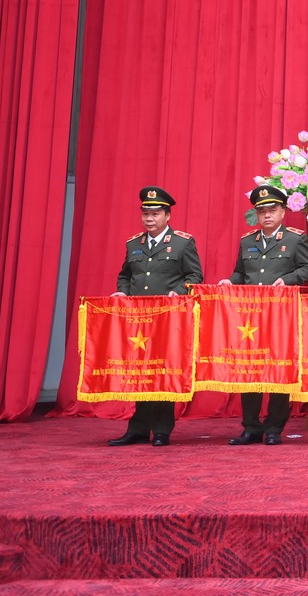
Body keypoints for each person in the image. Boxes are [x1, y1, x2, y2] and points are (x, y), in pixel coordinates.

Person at [108, 185, 203, 447]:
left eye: (155, 214)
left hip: (168, 318)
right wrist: (122, 292)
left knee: (163, 371)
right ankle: (138, 429)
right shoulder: (133, 244)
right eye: (146, 214)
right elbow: (125, 275)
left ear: (167, 216)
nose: (149, 219)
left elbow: (195, 276)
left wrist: (178, 291)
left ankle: (162, 429)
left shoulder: (183, 242)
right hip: (138, 319)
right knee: (141, 373)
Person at [219, 184, 308, 446]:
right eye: (262, 212)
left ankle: (274, 427)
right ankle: (251, 427)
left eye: (272, 210)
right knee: (249, 368)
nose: (267, 215)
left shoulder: (295, 239)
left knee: (278, 368)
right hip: (250, 316)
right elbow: (240, 273)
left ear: (283, 212)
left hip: (281, 314)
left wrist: (288, 279)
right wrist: (229, 281)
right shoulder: (247, 241)